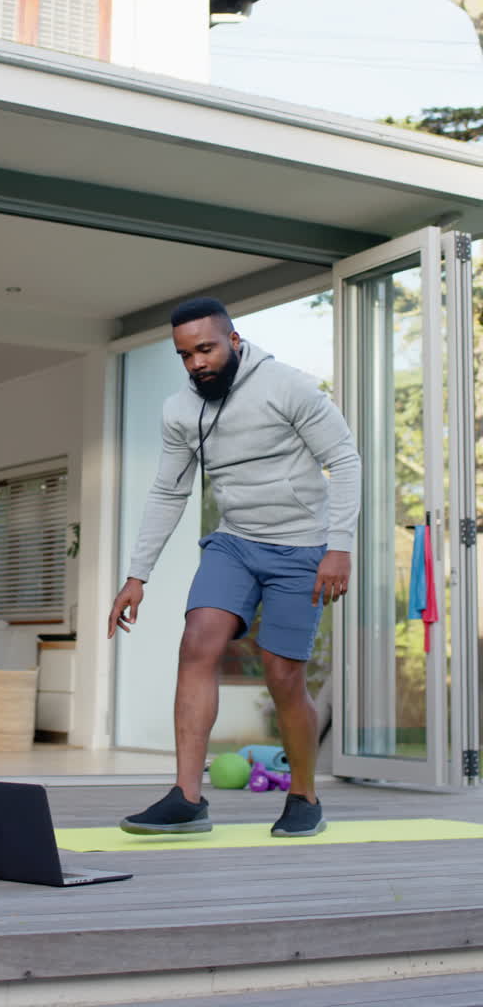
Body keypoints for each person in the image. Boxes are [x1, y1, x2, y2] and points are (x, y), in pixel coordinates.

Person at [107, 296, 361, 838]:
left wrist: (338, 547)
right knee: (197, 640)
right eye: (185, 355)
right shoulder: (181, 410)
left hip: (303, 547)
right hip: (235, 543)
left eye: (206, 348)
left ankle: (304, 796)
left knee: (282, 674)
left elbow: (343, 458)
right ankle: (186, 797)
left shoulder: (287, 386)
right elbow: (167, 492)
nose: (197, 363)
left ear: (234, 341)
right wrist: (137, 574)